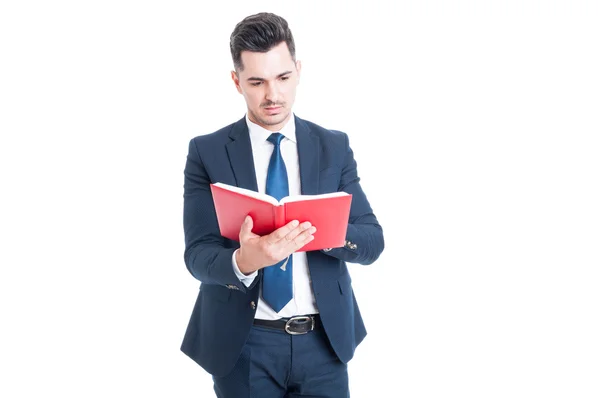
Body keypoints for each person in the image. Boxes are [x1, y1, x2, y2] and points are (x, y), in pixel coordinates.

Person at [181, 12, 385, 397]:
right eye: (256, 81)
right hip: (244, 348)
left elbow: (372, 240)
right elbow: (197, 254)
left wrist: (322, 232)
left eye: (283, 78)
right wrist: (246, 260)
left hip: (324, 344)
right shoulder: (206, 152)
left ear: (298, 70)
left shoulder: (333, 146)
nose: (272, 95)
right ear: (236, 80)